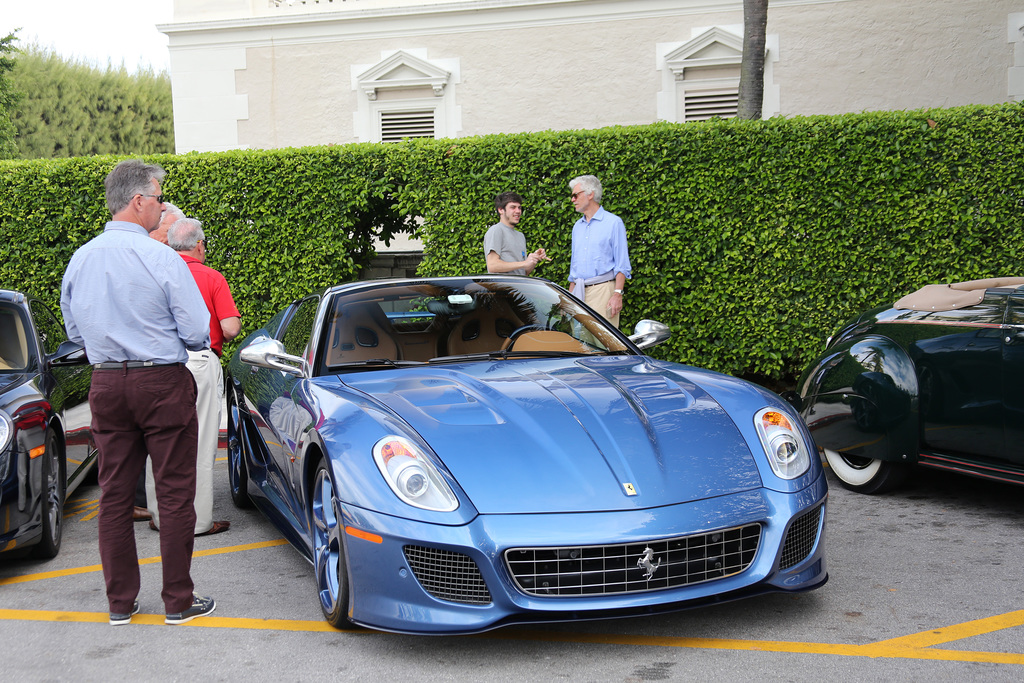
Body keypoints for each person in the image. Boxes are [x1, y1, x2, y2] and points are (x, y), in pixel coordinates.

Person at [60, 159, 217, 627]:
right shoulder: (162, 256)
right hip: (161, 380)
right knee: (172, 492)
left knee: (113, 494)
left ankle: (120, 603)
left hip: (107, 381)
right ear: (138, 201)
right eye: (159, 198)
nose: (162, 206)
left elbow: (74, 331)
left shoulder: (81, 257)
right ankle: (177, 601)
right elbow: (195, 332)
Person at [146, 217, 240, 537]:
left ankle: (159, 515)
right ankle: (198, 522)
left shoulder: (154, 274)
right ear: (199, 245)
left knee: (157, 438)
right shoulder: (211, 277)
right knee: (199, 441)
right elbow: (229, 328)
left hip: (156, 362)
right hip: (198, 361)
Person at [567, 175, 631, 328]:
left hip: (603, 292)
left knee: (602, 344)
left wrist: (617, 294)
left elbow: (622, 264)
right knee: (579, 343)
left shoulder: (613, 223)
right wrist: (568, 299)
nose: (572, 199)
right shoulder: (577, 227)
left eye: (575, 195)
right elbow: (574, 269)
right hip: (579, 293)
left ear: (590, 194)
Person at [484, 191, 549, 275]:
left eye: (519, 207)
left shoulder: (520, 236)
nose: (518, 211)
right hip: (502, 287)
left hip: (519, 286)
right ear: (501, 210)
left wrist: (533, 259)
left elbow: (524, 272)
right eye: (513, 207)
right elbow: (492, 266)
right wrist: (524, 263)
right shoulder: (496, 230)